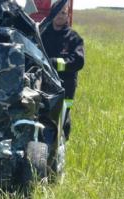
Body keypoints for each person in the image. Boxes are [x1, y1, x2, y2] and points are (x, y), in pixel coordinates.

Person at [41, 1, 85, 139]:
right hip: (43, 84)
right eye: (58, 12)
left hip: (66, 86)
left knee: (63, 116)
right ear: (52, 14)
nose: (60, 16)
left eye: (64, 13)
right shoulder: (42, 35)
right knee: (43, 116)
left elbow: (78, 62)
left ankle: (63, 142)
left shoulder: (74, 38)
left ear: (68, 15)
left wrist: (55, 63)